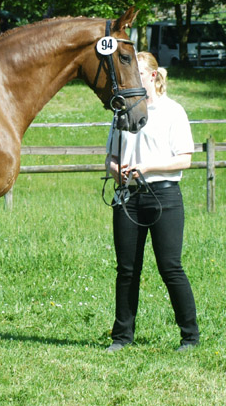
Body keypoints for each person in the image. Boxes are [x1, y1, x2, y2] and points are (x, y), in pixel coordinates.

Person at [105, 51, 199, 353]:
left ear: (154, 76)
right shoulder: (121, 113)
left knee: (170, 267)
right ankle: (122, 336)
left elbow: (184, 159)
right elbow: (111, 157)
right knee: (127, 270)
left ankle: (190, 336)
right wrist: (116, 170)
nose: (131, 81)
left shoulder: (173, 112)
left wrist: (147, 168)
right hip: (128, 198)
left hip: (164, 197)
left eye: (138, 74)